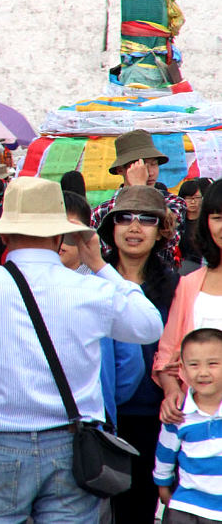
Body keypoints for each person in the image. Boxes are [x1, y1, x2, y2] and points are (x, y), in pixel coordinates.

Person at [0, 176, 164, 523]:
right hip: (71, 444)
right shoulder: (89, 289)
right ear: (59, 236)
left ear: (4, 236)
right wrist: (101, 266)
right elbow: (149, 324)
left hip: (0, 442)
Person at [89, 186, 180, 523]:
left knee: (138, 510)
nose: (134, 227)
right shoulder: (90, 283)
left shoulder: (175, 287)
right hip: (99, 417)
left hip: (154, 415)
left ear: (161, 231)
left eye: (146, 219)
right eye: (124, 218)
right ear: (111, 228)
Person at [59, 191, 145, 433]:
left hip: (94, 420)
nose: (60, 242)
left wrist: (105, 397)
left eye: (69, 233)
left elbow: (130, 363)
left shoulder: (104, 289)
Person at [156, 180, 222, 426]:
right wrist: (172, 390)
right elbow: (167, 354)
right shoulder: (189, 284)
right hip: (197, 417)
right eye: (217, 218)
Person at [154, 328, 222, 523]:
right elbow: (165, 453)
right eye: (194, 365)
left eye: (213, 364)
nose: (203, 373)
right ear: (182, 370)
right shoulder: (178, 413)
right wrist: (163, 486)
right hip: (188, 507)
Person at [91, 129, 186, 266]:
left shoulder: (173, 203)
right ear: (120, 170)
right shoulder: (101, 212)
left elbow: (169, 240)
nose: (150, 172)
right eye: (141, 166)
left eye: (153, 164)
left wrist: (140, 189)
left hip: (159, 278)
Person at [178, 179, 205, 274]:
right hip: (181, 266)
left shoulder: (206, 222)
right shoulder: (178, 222)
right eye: (189, 198)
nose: (193, 202)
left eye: (197, 197)